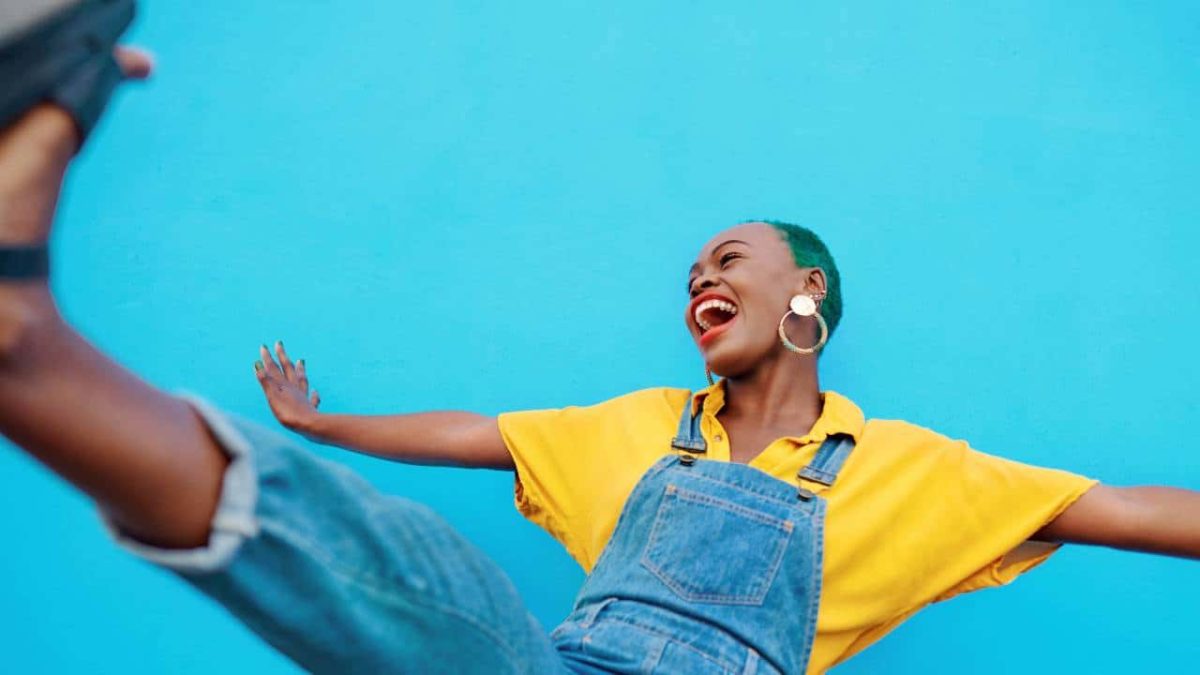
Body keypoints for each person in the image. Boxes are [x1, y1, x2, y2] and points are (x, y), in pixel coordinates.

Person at [1, 40, 1197, 675]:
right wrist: (320, 429)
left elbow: (1132, 510)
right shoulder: (638, 428)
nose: (701, 280)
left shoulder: (911, 472)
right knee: (424, 581)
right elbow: (477, 436)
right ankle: (24, 341)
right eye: (692, 275)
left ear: (807, 294)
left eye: (730, 260)